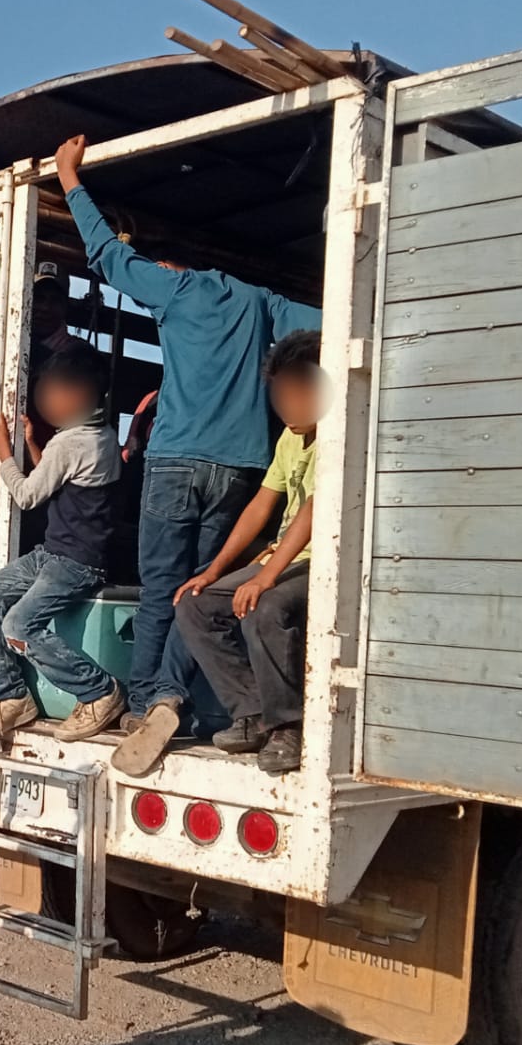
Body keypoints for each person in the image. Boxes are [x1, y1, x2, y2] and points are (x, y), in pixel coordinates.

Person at [55, 133, 321, 776]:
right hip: (239, 471)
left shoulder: (175, 290)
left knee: (160, 593)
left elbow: (105, 254)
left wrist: (69, 177)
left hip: (175, 463)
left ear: (170, 267)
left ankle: (151, 700)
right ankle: (184, 700)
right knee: (195, 595)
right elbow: (329, 317)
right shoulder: (265, 304)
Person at [173, 331, 323, 775]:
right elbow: (262, 505)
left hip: (323, 560)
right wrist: (215, 570)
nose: (288, 408)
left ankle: (289, 727)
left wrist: (266, 576)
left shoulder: (342, 433)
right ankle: (253, 713)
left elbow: (314, 512)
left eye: (298, 395)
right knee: (196, 605)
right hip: (282, 557)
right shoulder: (290, 439)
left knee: (266, 606)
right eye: (282, 397)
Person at [0, 345, 126, 744]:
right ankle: (10, 698)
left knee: (18, 625)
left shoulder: (70, 443)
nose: (45, 400)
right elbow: (58, 480)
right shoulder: (99, 436)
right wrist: (34, 446)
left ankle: (98, 692)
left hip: (74, 562)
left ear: (80, 396)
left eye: (52, 393)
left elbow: (26, 495)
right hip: (57, 554)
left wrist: (2, 448)